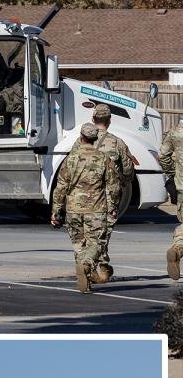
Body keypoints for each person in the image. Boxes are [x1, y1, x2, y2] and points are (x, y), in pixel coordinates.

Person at [51, 122, 121, 293]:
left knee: (78, 244)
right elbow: (114, 186)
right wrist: (113, 206)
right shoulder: (104, 159)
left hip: (73, 209)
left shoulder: (70, 159)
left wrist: (56, 211)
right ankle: (87, 265)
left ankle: (86, 281)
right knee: (96, 243)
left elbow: (60, 187)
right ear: (95, 139)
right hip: (96, 209)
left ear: (81, 138)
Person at [86, 104, 135, 282]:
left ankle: (97, 265)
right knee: (103, 232)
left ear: (93, 119)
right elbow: (129, 170)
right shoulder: (117, 142)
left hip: (84, 194)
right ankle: (96, 265)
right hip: (107, 196)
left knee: (89, 231)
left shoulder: (82, 141)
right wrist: (121, 180)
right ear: (110, 121)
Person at [157, 120, 183, 279]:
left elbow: (163, 155)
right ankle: (177, 249)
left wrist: (172, 175)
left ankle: (177, 248)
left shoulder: (175, 133)